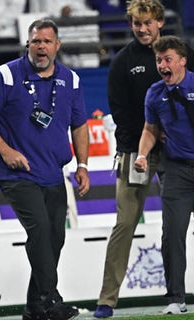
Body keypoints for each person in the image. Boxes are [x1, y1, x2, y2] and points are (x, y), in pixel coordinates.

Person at [0, 18, 90, 320]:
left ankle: (35, 307)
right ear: (28, 43)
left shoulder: (71, 80)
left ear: (57, 46)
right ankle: (51, 300)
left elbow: (80, 125)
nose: (41, 47)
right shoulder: (6, 75)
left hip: (53, 172)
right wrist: (6, 150)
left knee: (54, 238)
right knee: (39, 230)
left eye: (47, 41)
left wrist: (83, 164)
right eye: (36, 41)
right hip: (15, 172)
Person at [92, 1, 194, 318]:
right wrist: (143, 144)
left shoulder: (181, 51)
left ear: (160, 22)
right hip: (138, 151)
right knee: (125, 223)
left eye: (148, 22)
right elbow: (119, 111)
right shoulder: (123, 61)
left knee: (173, 227)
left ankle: (175, 294)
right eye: (137, 23)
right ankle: (107, 300)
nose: (142, 29)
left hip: (181, 155)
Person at [134, 35, 194, 316]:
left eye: (167, 59)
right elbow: (150, 129)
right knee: (172, 235)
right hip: (176, 170)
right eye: (159, 60)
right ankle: (175, 299)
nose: (162, 65)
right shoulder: (154, 93)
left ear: (182, 61)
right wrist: (143, 155)